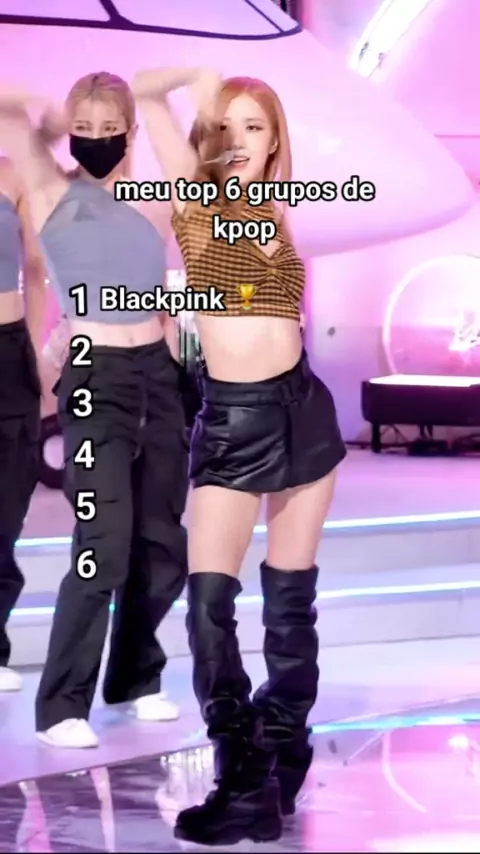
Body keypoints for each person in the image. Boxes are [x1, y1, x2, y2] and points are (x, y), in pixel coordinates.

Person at [132, 68, 347, 844]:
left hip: (304, 412)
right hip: (231, 420)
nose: (240, 141)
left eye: (255, 127)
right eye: (227, 126)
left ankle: (283, 752)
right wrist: (202, 85)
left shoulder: (278, 212)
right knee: (208, 605)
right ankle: (242, 771)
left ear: (276, 139)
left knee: (290, 601)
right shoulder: (195, 200)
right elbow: (144, 92)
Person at [0, 73, 188, 749]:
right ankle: (61, 705)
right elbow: (7, 112)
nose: (97, 140)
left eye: (111, 129)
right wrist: (46, 118)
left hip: (157, 373)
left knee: (160, 540)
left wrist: (172, 89)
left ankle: (136, 678)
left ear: (131, 133)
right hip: (95, 376)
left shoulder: (151, 201)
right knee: (101, 542)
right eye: (86, 128)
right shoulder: (52, 190)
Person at [0, 157, 46, 693]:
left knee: (7, 503)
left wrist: (30, 344)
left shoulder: (10, 174)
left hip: (9, 348)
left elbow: (34, 267)